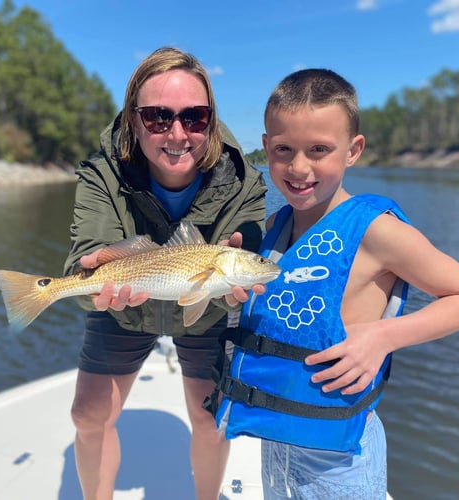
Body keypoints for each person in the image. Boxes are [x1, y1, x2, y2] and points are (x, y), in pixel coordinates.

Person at [213, 69, 459, 499]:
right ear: (266, 147)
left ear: (353, 150)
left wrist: (383, 335)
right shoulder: (274, 226)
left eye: (319, 150)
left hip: (339, 461)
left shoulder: (377, 232)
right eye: (284, 149)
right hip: (277, 443)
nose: (299, 167)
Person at [63, 47, 267, 500]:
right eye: (158, 118)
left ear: (210, 120)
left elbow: (248, 257)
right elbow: (84, 259)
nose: (177, 133)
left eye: (195, 117)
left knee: (209, 418)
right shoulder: (102, 173)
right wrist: (92, 279)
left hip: (207, 303)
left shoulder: (246, 183)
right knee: (88, 417)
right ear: (134, 121)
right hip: (125, 304)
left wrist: (241, 280)